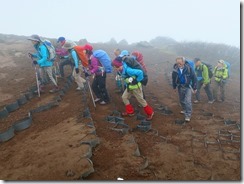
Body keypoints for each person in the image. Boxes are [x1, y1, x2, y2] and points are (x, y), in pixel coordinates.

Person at [112, 52, 154, 121]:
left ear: (120, 66)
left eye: (116, 67)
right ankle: (130, 112)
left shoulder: (128, 70)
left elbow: (140, 73)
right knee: (124, 97)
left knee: (141, 101)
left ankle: (150, 113)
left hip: (136, 87)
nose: (115, 69)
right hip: (130, 87)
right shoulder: (122, 70)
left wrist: (137, 80)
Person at [172, 56, 197, 122]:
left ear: (183, 62)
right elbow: (173, 79)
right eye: (177, 63)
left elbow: (194, 78)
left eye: (180, 63)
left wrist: (194, 87)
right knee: (181, 100)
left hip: (188, 86)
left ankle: (188, 115)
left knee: (188, 101)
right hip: (180, 86)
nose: (178, 65)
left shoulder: (189, 69)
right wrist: (174, 87)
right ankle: (184, 109)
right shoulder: (175, 70)